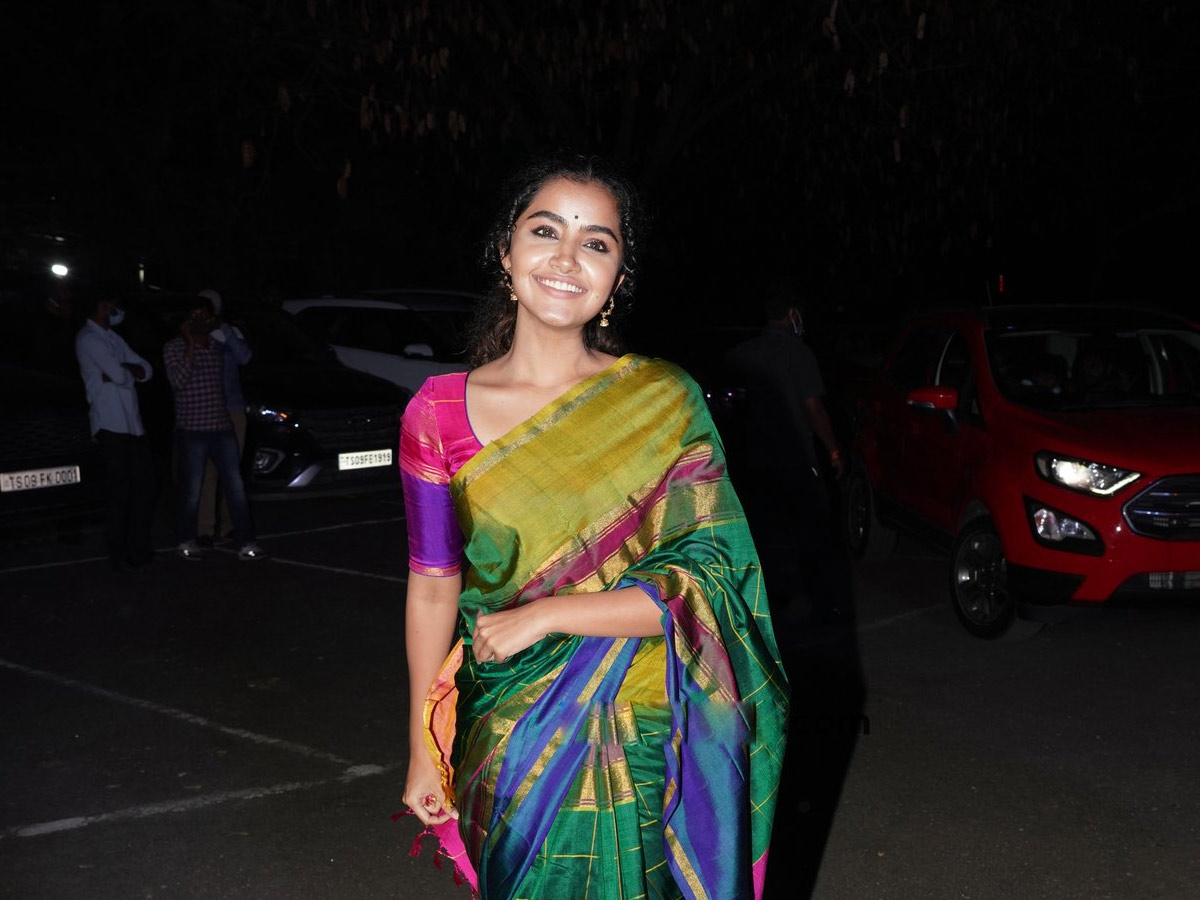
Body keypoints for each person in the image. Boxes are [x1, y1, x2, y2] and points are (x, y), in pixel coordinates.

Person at [399, 156, 788, 900]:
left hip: (644, 728)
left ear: (618, 277)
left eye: (597, 242)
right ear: (506, 252)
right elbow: (431, 586)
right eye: (546, 231)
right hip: (507, 730)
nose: (567, 257)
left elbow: (715, 582)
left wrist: (546, 615)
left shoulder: (663, 401)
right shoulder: (437, 413)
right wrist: (423, 744)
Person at [724, 286, 849, 626]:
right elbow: (814, 407)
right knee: (810, 530)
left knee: (767, 532)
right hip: (796, 460)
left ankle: (771, 603)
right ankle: (814, 604)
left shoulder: (744, 354)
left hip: (755, 462)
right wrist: (834, 449)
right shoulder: (798, 354)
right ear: (792, 314)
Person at [162, 297, 267, 562]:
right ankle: (188, 539)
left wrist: (223, 330)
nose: (200, 321)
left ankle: (246, 542)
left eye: (205, 316)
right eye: (195, 316)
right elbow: (178, 381)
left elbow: (244, 358)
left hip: (221, 427)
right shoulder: (173, 348)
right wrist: (189, 344)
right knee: (193, 488)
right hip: (193, 429)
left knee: (235, 486)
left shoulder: (217, 347)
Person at [74, 289, 157, 573]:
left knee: (143, 489)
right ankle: (119, 555)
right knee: (119, 493)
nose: (115, 310)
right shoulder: (88, 338)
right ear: (100, 306)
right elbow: (123, 374)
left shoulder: (114, 338)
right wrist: (127, 372)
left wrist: (125, 372)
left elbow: (146, 369)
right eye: (110, 305)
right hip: (110, 425)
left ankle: (139, 551)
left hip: (133, 425)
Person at [194, 288, 252, 546]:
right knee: (208, 471)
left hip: (233, 409)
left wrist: (225, 329)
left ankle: (229, 526)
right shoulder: (197, 336)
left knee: (232, 471)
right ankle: (205, 528)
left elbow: (244, 357)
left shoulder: (229, 332)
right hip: (207, 409)